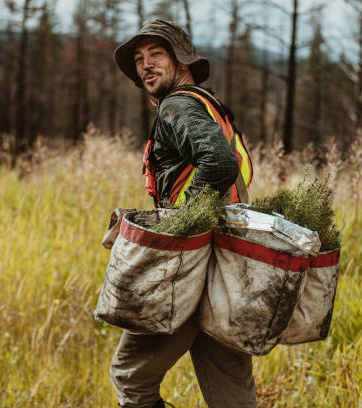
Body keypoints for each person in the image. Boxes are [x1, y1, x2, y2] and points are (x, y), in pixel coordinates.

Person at [111, 19, 257, 408]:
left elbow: (219, 161)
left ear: (182, 61)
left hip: (187, 269)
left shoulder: (177, 105)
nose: (146, 65)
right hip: (225, 270)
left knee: (130, 377)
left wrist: (180, 224)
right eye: (140, 59)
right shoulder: (210, 105)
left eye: (157, 54)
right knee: (232, 395)